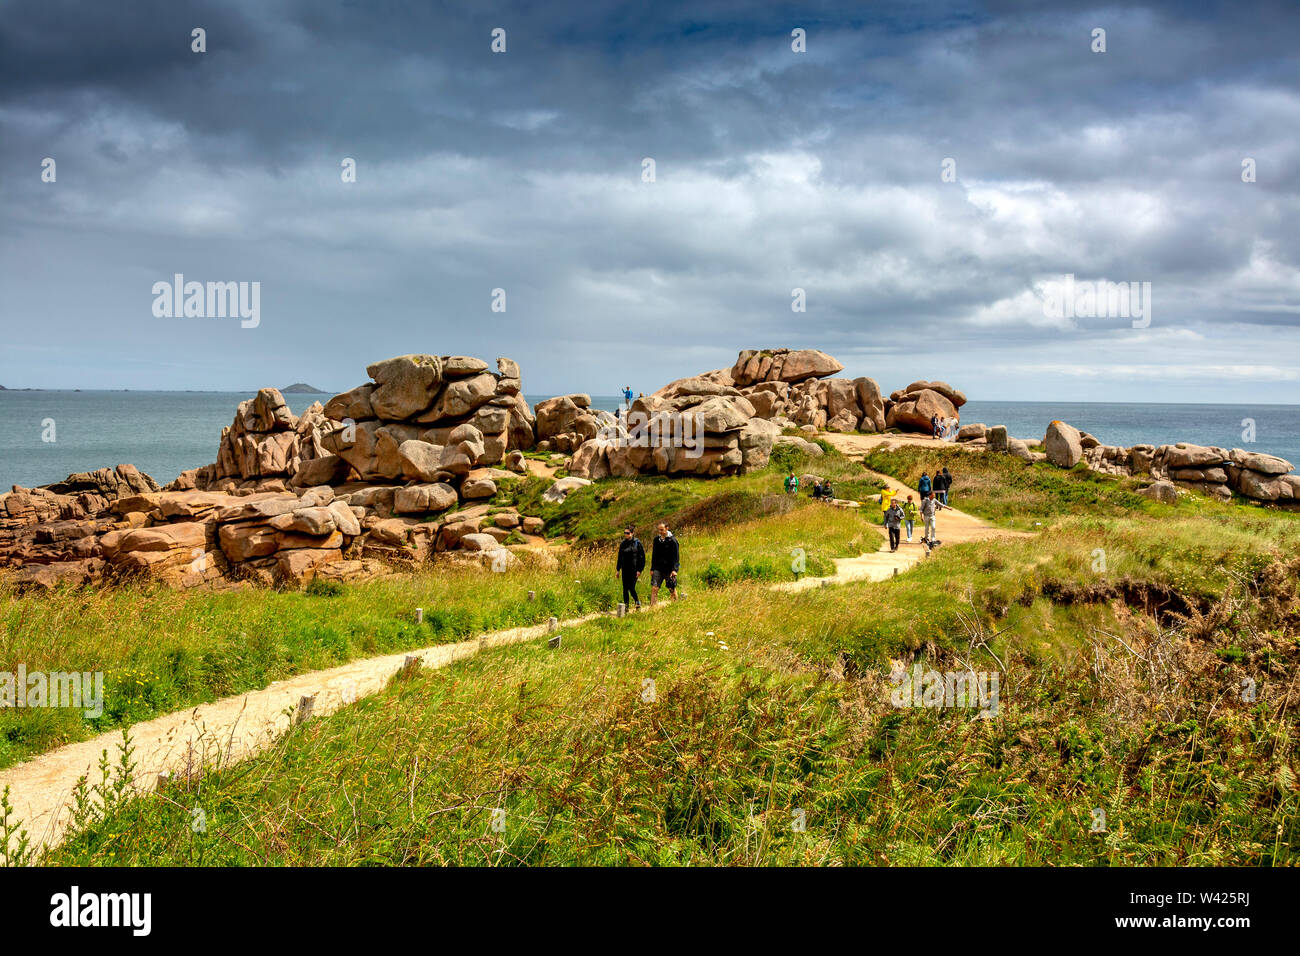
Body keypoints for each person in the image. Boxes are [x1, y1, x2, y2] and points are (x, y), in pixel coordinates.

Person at [615, 526, 646, 610]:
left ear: (632, 533)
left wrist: (640, 570)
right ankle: (626, 607)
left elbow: (642, 557)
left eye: (627, 533)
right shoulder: (623, 544)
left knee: (631, 587)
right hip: (625, 569)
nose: (626, 534)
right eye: (625, 533)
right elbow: (620, 557)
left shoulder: (637, 543)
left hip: (634, 569)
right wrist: (618, 570)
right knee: (625, 588)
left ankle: (637, 602)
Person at [650, 522, 679, 606]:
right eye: (659, 530)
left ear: (667, 528)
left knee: (671, 588)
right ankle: (652, 607)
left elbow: (676, 556)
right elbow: (654, 555)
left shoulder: (673, 540)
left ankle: (676, 605)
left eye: (662, 530)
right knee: (654, 588)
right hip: (658, 568)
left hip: (669, 569)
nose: (660, 531)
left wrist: (674, 569)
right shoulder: (656, 540)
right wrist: (652, 568)